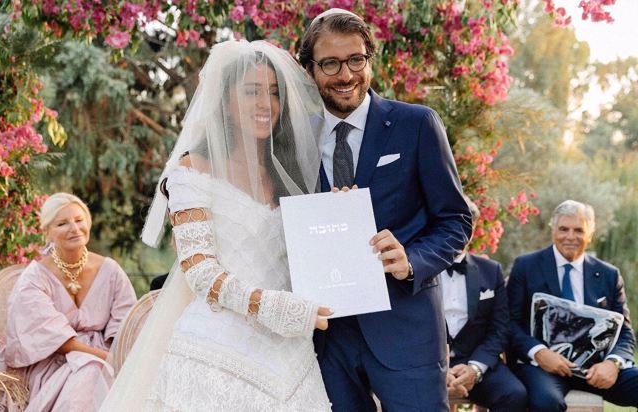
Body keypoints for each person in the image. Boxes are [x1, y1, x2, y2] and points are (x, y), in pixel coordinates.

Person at [100, 40, 333, 411]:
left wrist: (339, 215)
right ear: (226, 101)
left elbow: (309, 254)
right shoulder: (193, 170)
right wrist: (267, 306)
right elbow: (198, 269)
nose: (265, 104)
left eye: (274, 93)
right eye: (252, 92)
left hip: (291, 355)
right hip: (217, 350)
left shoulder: (289, 175)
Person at [298, 9, 473, 411]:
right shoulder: (294, 139)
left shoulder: (417, 124)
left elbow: (456, 220)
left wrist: (411, 261)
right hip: (326, 339)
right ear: (309, 70)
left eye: (356, 59)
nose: (346, 75)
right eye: (330, 63)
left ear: (370, 60)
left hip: (407, 331)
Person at [0, 192, 137, 412]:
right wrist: (108, 359)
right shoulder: (34, 278)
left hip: (107, 354)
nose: (74, 228)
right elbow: (60, 343)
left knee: (98, 373)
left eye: (79, 220)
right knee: (91, 370)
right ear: (47, 232)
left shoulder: (110, 270)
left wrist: (120, 358)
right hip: (54, 362)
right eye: (62, 223)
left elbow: (127, 324)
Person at [507, 199, 638, 411]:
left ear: (590, 234)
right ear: (553, 230)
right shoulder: (525, 266)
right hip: (543, 368)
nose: (570, 236)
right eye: (563, 229)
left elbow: (625, 332)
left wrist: (613, 363)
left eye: (579, 230)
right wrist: (539, 353)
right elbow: (510, 323)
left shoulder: (609, 274)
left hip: (596, 369)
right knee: (546, 403)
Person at [443, 198, 526, 411]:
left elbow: (499, 330)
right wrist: (440, 372)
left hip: (475, 361)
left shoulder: (491, 271)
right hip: (428, 366)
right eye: (450, 223)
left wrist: (475, 369)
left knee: (513, 394)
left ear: (473, 229)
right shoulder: (419, 270)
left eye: (465, 224)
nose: (457, 231)